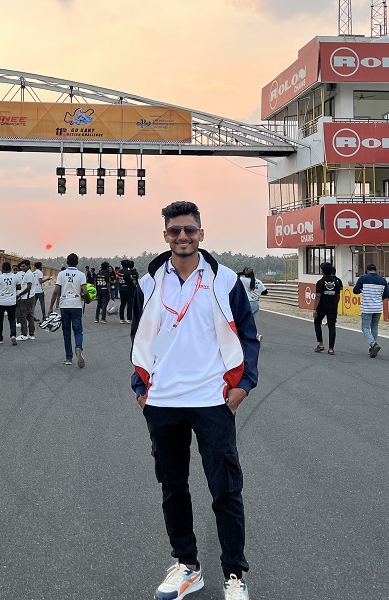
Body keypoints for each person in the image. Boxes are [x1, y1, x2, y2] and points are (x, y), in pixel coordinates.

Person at [130, 201, 258, 600]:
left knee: (226, 490)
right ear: (165, 235)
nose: (182, 236)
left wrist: (243, 385)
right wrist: (141, 388)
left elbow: (248, 335)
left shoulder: (225, 280)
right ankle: (188, 566)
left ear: (201, 233)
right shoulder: (149, 283)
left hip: (211, 400)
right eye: (175, 230)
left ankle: (234, 575)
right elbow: (139, 338)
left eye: (189, 230)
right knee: (173, 488)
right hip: (163, 401)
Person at [48, 253, 89, 367]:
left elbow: (55, 292)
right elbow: (85, 291)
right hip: (76, 305)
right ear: (77, 262)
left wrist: (51, 307)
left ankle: (68, 358)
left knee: (66, 332)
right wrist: (87, 300)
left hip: (65, 305)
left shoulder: (61, 274)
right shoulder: (81, 275)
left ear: (67, 262)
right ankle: (78, 347)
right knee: (78, 331)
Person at [353, 263, 389, 358]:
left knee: (365, 327)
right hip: (378, 307)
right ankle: (372, 347)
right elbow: (387, 294)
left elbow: (355, 291)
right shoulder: (382, 280)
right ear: (376, 270)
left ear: (367, 270)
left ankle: (373, 344)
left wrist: (362, 290)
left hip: (366, 307)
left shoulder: (363, 278)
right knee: (374, 327)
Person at [313, 262, 342, 355]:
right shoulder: (336, 282)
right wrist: (335, 304)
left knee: (317, 323)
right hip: (332, 306)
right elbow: (338, 296)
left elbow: (318, 296)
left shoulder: (320, 282)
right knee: (332, 326)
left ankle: (321, 343)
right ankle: (331, 348)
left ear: (322, 271)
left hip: (321, 306)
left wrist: (314, 309)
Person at [0, 262, 21, 345]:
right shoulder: (15, 276)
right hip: (11, 302)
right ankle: (13, 335)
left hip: (0, 301)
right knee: (12, 319)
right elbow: (19, 287)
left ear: (2, 269)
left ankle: (0, 339)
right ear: (10, 269)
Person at [238, 267, 267, 341]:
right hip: (256, 304)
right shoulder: (259, 281)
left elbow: (235, 275)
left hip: (248, 304)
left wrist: (243, 273)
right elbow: (265, 292)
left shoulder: (243, 280)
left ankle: (254, 335)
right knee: (251, 321)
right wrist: (256, 293)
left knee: (243, 321)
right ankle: (252, 336)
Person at [16, 259, 36, 341]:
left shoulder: (28, 275)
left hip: (27, 297)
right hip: (30, 297)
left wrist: (19, 294)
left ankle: (24, 334)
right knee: (29, 316)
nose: (22, 268)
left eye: (23, 266)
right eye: (21, 266)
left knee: (22, 315)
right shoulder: (27, 274)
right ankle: (31, 334)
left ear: (28, 266)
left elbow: (28, 287)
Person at [118, 259, 135, 324]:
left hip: (121, 289)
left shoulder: (119, 272)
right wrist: (134, 289)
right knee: (129, 304)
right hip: (128, 289)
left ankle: (121, 318)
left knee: (122, 304)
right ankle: (129, 318)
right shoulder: (129, 272)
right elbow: (131, 282)